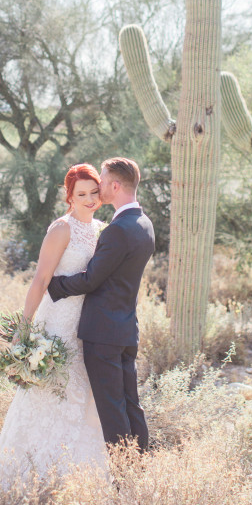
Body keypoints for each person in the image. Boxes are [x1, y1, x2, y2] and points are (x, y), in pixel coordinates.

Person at [0, 163, 109, 482]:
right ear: (69, 197)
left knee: (82, 392)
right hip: (56, 319)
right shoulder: (61, 229)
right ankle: (29, 470)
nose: (88, 199)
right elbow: (41, 279)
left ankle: (77, 474)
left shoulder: (101, 229)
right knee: (50, 390)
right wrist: (24, 327)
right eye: (81, 194)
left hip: (87, 323)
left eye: (94, 192)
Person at [48, 157, 155, 452]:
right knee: (132, 405)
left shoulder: (117, 230)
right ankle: (140, 469)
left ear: (116, 186)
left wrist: (55, 286)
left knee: (113, 411)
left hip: (103, 335)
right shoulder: (144, 225)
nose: (99, 189)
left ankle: (123, 477)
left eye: (104, 183)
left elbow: (91, 279)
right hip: (125, 330)